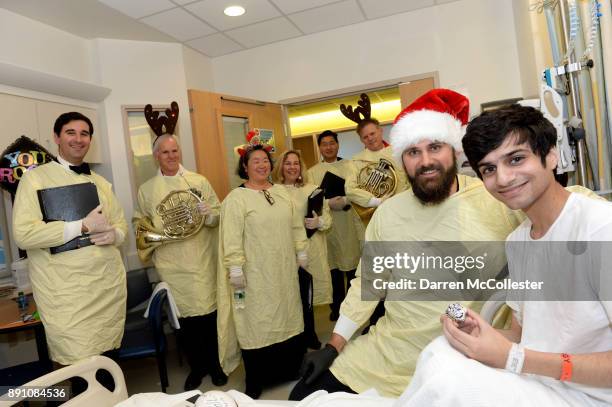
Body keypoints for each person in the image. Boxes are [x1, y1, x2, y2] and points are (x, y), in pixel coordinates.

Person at [290, 89, 523, 400]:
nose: (426, 161)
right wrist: (333, 345)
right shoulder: (388, 214)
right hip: (391, 349)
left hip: (465, 354)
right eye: (413, 152)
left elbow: (556, 222)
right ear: (402, 161)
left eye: (435, 147)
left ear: (454, 151)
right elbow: (368, 284)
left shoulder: (496, 199)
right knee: (302, 396)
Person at [398, 104, 612, 406]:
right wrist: (481, 334)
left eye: (516, 159)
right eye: (489, 169)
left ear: (550, 155)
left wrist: (515, 358)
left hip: (587, 396)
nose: (503, 178)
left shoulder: (600, 229)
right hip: (539, 382)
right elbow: (520, 335)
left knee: (448, 385)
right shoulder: (518, 241)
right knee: (440, 351)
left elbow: (521, 352)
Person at [12, 112, 127, 366]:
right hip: (68, 299)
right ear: (57, 137)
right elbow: (24, 234)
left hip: (107, 293)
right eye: (70, 133)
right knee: (82, 373)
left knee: (110, 367)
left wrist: (115, 234)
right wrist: (81, 226)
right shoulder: (35, 179)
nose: (78, 139)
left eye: (84, 134)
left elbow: (120, 224)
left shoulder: (101, 182)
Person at [133, 133, 227, 390]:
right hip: (171, 263)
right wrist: (156, 237)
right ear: (156, 157)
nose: (171, 156)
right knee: (184, 320)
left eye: (174, 151)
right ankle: (197, 368)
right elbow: (140, 223)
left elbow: (219, 213)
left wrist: (209, 215)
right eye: (165, 152)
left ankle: (216, 364)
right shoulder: (147, 189)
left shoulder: (198, 180)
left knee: (209, 315)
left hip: (201, 259)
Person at [217, 141, 309, 399]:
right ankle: (256, 379)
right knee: (257, 324)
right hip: (254, 274)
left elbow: (295, 225)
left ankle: (289, 370)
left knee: (288, 316)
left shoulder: (281, 193)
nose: (262, 164)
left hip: (283, 271)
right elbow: (231, 236)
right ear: (245, 166)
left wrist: (301, 249)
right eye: (255, 161)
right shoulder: (237, 199)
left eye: (265, 160)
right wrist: (235, 267)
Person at [273, 149, 333, 350]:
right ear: (281, 167)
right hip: (286, 249)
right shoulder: (273, 192)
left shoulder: (313, 189)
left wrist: (319, 221)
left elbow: (328, 221)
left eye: (295, 163)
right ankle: (296, 335)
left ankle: (310, 332)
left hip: (311, 248)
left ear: (301, 167)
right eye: (287, 163)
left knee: (307, 293)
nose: (292, 167)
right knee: (290, 294)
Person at [307, 131, 361, 322]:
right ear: (320, 147)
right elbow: (311, 199)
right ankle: (337, 307)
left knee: (353, 268)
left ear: (338, 145)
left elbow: (358, 191)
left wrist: (347, 198)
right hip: (327, 226)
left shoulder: (351, 165)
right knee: (334, 269)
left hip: (349, 222)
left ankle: (353, 308)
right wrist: (328, 203)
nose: (329, 147)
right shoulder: (312, 172)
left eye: (332, 143)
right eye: (324, 144)